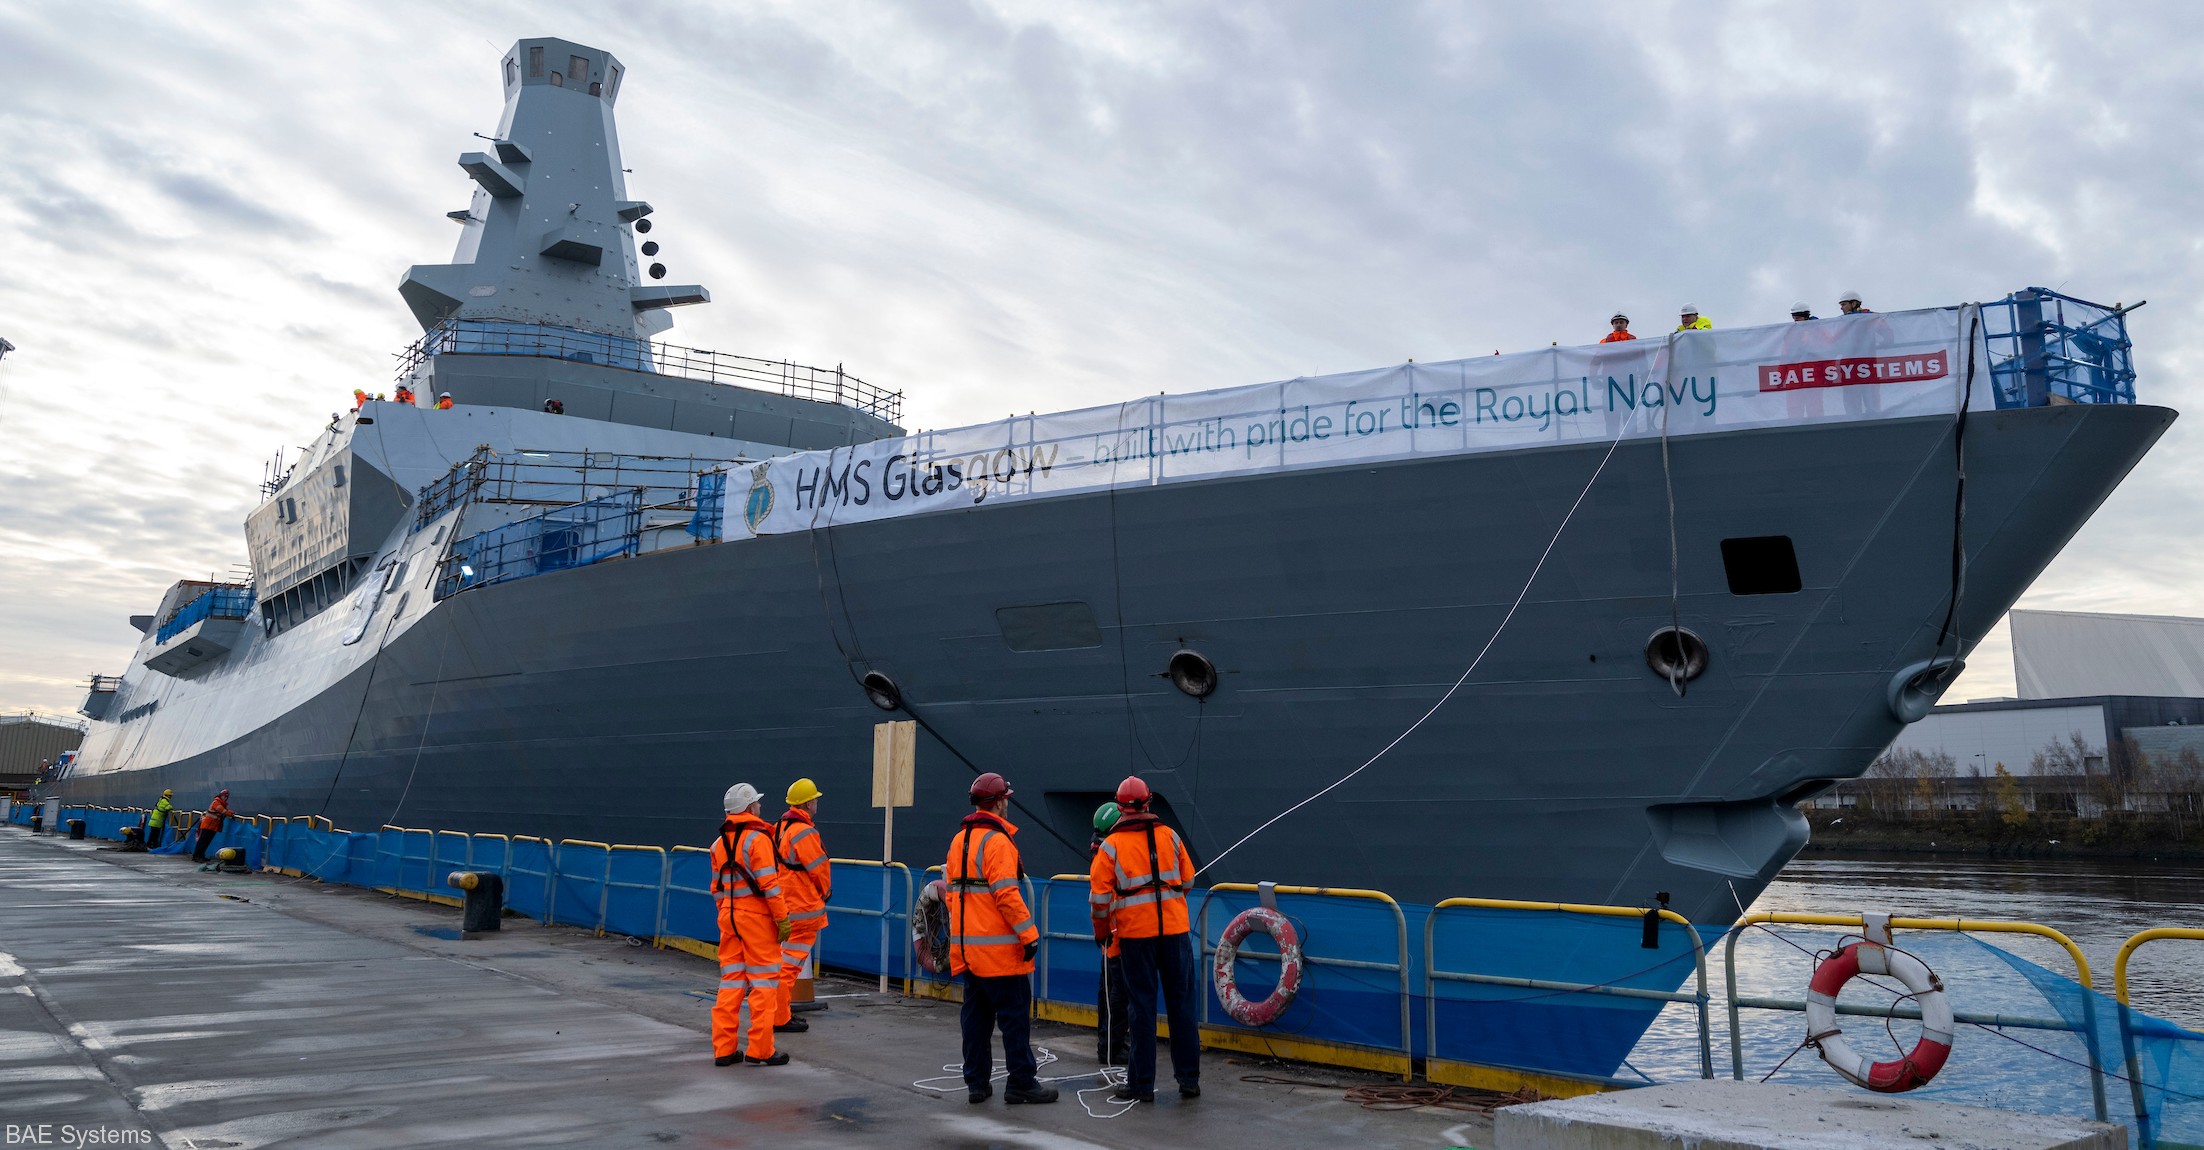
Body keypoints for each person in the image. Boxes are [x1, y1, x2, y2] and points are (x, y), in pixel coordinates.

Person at [945, 772, 1057, 1105]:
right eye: (1006, 797)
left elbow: (953, 895)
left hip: (968, 951)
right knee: (1014, 1018)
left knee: (976, 1020)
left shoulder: (958, 841)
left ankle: (977, 1084)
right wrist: (1029, 936)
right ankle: (1021, 1081)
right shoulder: (999, 842)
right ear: (999, 802)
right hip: (999, 953)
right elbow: (1007, 893)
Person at [1090, 776, 1201, 1103]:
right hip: (1176, 933)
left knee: (1142, 1008)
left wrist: (1103, 936)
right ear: (1149, 803)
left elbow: (1098, 903)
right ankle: (1189, 1080)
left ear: (1121, 808)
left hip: (1136, 937)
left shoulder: (1110, 847)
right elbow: (1189, 881)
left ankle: (1141, 1084)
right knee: (1182, 1007)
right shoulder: (1171, 837)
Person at [711, 783, 791, 1066]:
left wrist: (728, 913)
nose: (759, 807)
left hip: (729, 919)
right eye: (756, 803)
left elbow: (717, 888)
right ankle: (761, 1049)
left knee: (731, 981)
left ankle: (724, 1049)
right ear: (749, 808)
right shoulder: (758, 840)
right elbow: (770, 884)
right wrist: (782, 918)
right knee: (764, 983)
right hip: (756, 920)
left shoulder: (718, 844)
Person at [771, 778, 831, 1034]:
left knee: (783, 963)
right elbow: (819, 868)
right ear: (808, 803)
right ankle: (779, 1017)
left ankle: (778, 1013)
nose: (817, 802)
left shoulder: (779, 828)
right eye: (815, 799)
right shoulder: (804, 832)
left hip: (786, 902)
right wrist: (825, 891)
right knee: (790, 966)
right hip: (803, 907)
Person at [1089, 802, 1132, 1066]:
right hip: (1119, 935)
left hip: (1109, 934)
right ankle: (1112, 1048)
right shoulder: (1113, 853)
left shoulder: (1100, 852)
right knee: (1118, 994)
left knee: (1108, 993)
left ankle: (1109, 1044)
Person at [191, 789, 231, 862]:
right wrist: (232, 813)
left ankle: (201, 856)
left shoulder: (221, 803)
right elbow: (224, 811)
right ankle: (196, 856)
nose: (225, 798)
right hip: (208, 825)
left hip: (212, 826)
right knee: (202, 842)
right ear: (221, 796)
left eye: (226, 797)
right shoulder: (217, 803)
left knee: (206, 842)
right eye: (225, 796)